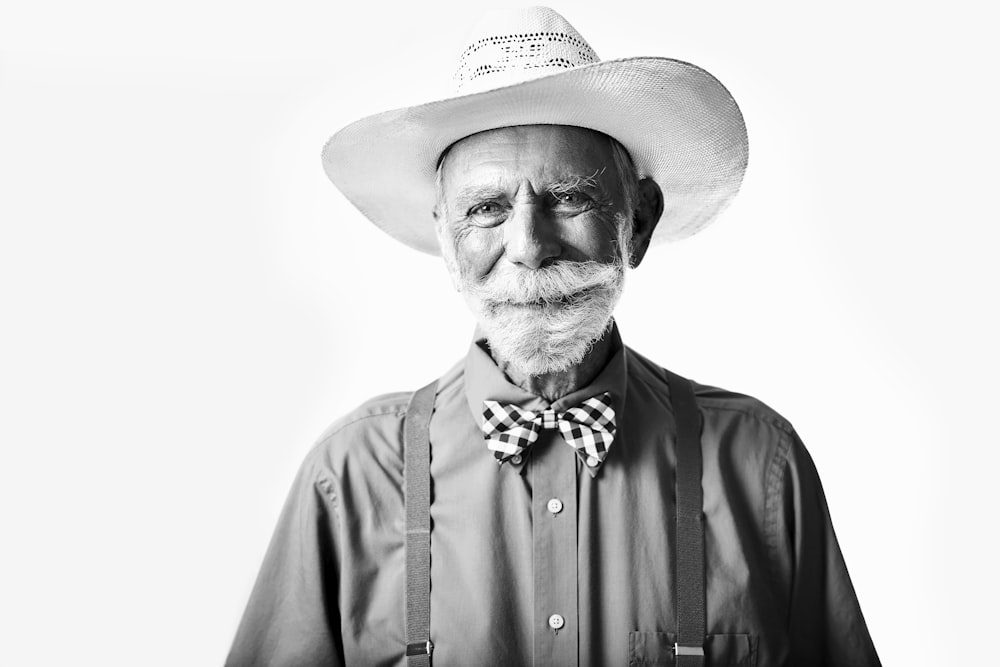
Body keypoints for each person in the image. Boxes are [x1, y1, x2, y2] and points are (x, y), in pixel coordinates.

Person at [228, 7, 880, 666]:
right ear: (444, 240)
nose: (530, 247)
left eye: (569, 198)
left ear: (640, 222)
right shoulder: (349, 477)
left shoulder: (761, 465)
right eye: (485, 209)